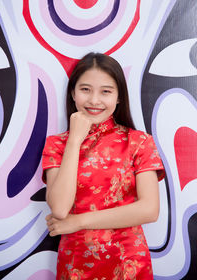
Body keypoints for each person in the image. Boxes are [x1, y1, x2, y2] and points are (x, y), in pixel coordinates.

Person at [42, 52, 165, 280]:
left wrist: (77, 221)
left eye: (105, 91)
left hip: (128, 263)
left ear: (118, 97)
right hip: (75, 264)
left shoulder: (139, 142)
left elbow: (149, 210)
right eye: (85, 89)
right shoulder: (57, 144)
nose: (94, 100)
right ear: (73, 93)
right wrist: (75, 140)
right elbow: (59, 209)